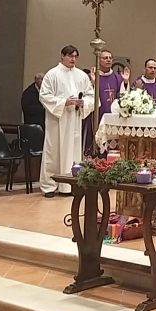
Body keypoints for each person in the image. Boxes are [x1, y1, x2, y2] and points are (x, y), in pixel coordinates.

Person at [39, 45, 94, 197]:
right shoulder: (52, 74)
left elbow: (91, 95)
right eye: (70, 56)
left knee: (73, 152)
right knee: (53, 152)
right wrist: (64, 102)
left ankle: (71, 185)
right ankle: (50, 186)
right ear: (62, 56)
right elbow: (44, 96)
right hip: (57, 120)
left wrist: (84, 103)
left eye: (75, 56)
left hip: (74, 120)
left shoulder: (81, 76)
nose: (73, 59)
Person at [83, 50, 129, 156]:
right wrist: (93, 83)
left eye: (110, 58)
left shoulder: (118, 77)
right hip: (97, 114)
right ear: (99, 60)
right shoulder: (93, 76)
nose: (108, 60)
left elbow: (123, 98)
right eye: (105, 58)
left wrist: (126, 82)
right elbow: (89, 96)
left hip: (113, 116)